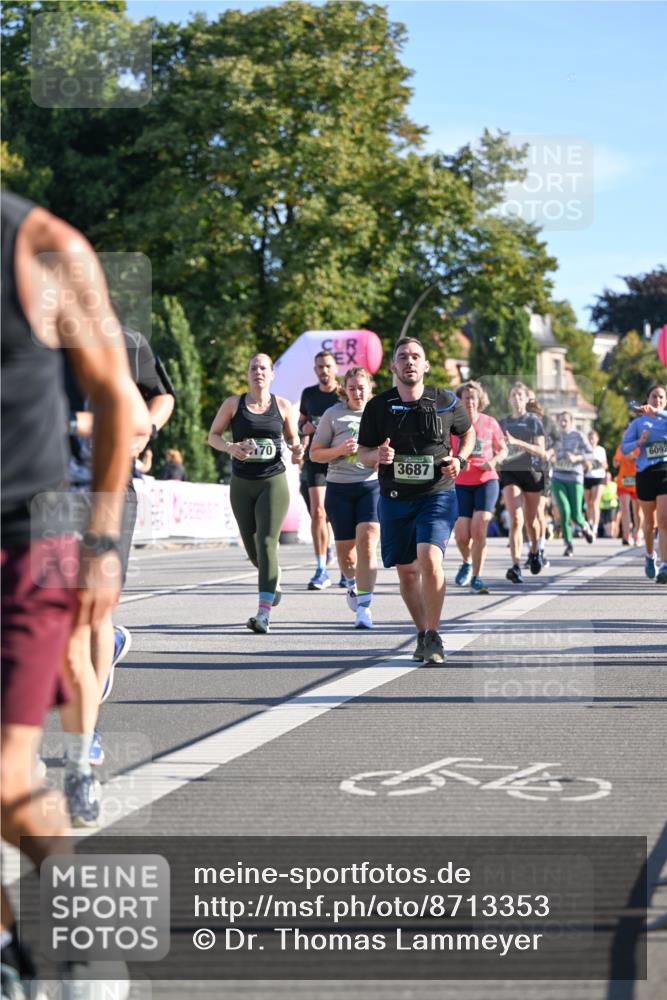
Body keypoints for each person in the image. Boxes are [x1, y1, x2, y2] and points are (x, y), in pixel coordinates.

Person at [1, 190, 142, 998]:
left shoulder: (43, 247)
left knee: (5, 779)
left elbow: (118, 398)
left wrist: (100, 545)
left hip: (34, 536)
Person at [61, 325, 174, 825]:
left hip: (107, 492)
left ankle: (82, 748)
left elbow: (159, 399)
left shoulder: (125, 342)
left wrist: (141, 430)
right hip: (38, 497)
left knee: (86, 615)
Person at [357, 337, 474, 664]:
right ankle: (422, 632)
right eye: (403, 357)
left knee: (429, 558)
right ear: (394, 366)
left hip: (437, 493)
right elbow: (363, 452)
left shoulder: (446, 400)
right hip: (394, 498)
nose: (409, 361)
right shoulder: (378, 406)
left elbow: (468, 433)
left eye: (416, 357)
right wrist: (376, 455)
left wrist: (461, 460)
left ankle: (434, 634)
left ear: (425, 365)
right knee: (407, 572)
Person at [208, 353, 303, 631]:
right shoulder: (233, 404)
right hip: (241, 483)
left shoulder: (283, 406)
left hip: (272, 481)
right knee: (253, 552)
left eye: (263, 367)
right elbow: (213, 435)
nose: (258, 371)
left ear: (272, 374)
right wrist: (230, 447)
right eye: (253, 367)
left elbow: (294, 443)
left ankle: (263, 614)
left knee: (266, 543)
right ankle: (274, 577)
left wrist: (298, 451)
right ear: (248, 373)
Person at [310, 367, 380, 628]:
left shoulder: (379, 413)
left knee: (369, 540)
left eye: (362, 387)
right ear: (345, 390)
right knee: (347, 557)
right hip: (339, 488)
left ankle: (364, 607)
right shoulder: (333, 414)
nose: (357, 392)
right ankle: (352, 583)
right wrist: (339, 449)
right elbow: (315, 454)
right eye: (352, 388)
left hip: (370, 486)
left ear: (370, 388)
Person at [451, 380, 507, 594]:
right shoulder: (454, 424)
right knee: (462, 534)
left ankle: (476, 575)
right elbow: (447, 450)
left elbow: (502, 450)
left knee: (479, 526)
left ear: (479, 400)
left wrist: (493, 461)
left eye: (473, 398)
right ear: (460, 401)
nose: (469, 402)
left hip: (486, 480)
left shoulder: (489, 422)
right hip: (461, 483)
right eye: (465, 398)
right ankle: (466, 562)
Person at [498, 382, 548, 583]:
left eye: (520, 395)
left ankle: (535, 551)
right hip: (511, 472)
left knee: (531, 521)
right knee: (516, 519)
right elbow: (498, 448)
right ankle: (516, 566)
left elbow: (541, 451)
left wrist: (518, 443)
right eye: (514, 394)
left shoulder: (534, 422)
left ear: (527, 399)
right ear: (509, 399)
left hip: (532, 472)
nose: (517, 398)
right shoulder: (503, 422)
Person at [299, 350, 340, 589]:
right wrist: (304, 429)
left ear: (335, 369)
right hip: (315, 458)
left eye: (327, 366)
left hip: (339, 460)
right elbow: (302, 421)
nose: (324, 371)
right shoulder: (309, 394)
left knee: (335, 515)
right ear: (315, 370)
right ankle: (321, 567)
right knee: (318, 513)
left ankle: (344, 560)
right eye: (319, 367)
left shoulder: (343, 394)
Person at [621, 384, 667, 582]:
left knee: (665, 521)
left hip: (665, 470)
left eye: (661, 398)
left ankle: (665, 565)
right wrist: (639, 442)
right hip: (646, 474)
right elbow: (624, 448)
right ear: (647, 399)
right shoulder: (638, 424)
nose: (657, 400)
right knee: (650, 524)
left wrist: (658, 412)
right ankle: (650, 556)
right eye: (654, 397)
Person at [549, 412, 595, 556]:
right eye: (561, 421)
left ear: (571, 422)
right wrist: (551, 457)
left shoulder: (579, 436)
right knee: (564, 511)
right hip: (558, 477)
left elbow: (592, 454)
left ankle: (585, 526)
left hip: (575, 477)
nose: (563, 424)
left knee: (575, 514)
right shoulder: (553, 438)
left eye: (565, 421)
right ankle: (568, 544)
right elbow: (546, 453)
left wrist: (577, 458)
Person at [613, 437, 642, 546]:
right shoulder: (621, 448)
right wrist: (616, 461)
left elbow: (644, 461)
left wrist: (634, 457)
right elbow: (615, 463)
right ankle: (626, 535)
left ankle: (637, 532)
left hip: (637, 481)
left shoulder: (639, 447)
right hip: (623, 481)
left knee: (638, 511)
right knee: (624, 508)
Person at [583, 429, 608, 536]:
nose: (591, 440)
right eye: (589, 438)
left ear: (597, 439)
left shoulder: (601, 450)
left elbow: (606, 465)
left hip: (598, 477)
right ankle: (590, 523)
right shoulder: (584, 450)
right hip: (587, 477)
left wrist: (598, 464)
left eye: (593, 438)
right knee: (588, 503)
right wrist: (586, 466)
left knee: (594, 502)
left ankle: (595, 528)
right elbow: (582, 466)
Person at [599, 471, 619, 538]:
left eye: (607, 477)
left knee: (611, 519)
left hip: (612, 505)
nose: (606, 479)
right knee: (605, 520)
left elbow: (617, 494)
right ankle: (607, 533)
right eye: (605, 477)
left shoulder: (614, 485)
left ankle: (611, 533)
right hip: (603, 505)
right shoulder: (600, 485)